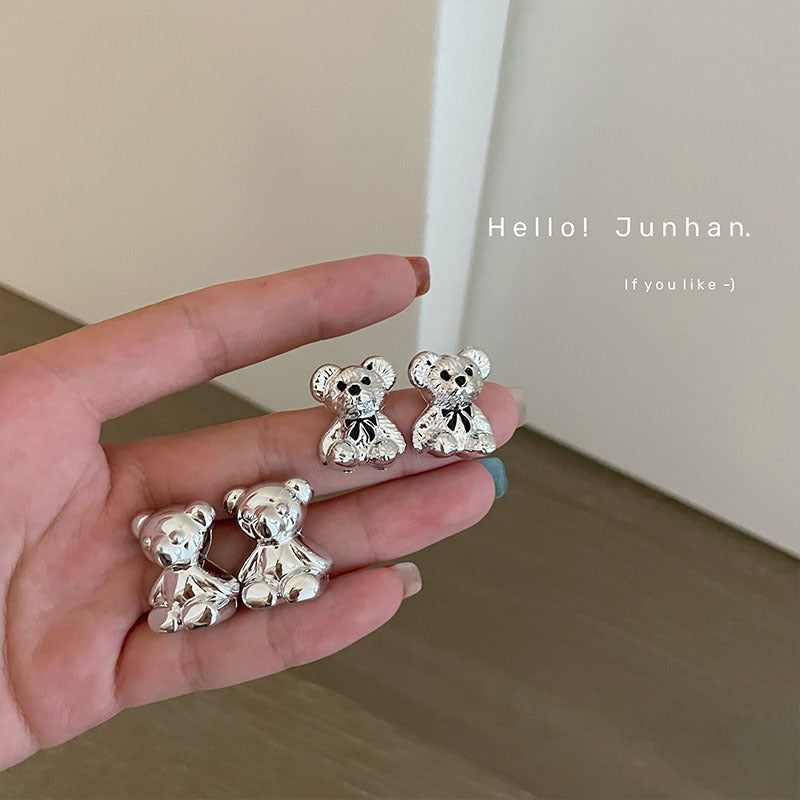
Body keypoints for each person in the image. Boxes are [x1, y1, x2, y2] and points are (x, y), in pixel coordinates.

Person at [0, 254, 523, 769]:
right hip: (213, 581)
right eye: (167, 542)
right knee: (237, 588)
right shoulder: (185, 559)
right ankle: (225, 600)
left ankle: (263, 589)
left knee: (302, 567)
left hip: (338, 500)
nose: (269, 520)